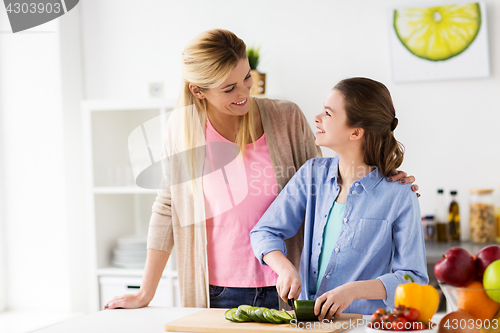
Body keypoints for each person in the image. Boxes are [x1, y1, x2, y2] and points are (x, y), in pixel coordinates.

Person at [104, 30, 417, 310]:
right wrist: (147, 291)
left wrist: (383, 177)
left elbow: (330, 184)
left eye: (247, 78)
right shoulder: (182, 131)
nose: (243, 94)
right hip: (214, 290)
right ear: (199, 91)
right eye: (229, 89)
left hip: (286, 290)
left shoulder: (286, 118)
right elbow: (167, 208)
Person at [250, 77, 427, 319]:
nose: (317, 118)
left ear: (356, 132)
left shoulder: (399, 194)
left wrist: (353, 291)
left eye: (328, 113)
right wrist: (285, 270)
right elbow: (264, 231)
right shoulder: (312, 174)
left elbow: (413, 277)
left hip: (363, 324)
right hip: (308, 323)